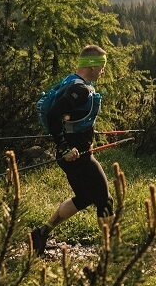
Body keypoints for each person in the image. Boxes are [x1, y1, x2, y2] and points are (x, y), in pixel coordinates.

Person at [30, 45, 113, 255]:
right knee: (105, 199)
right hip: (77, 157)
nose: (103, 71)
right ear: (92, 66)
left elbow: (72, 119)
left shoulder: (72, 81)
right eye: (101, 66)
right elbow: (54, 116)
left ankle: (41, 233)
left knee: (85, 197)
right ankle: (110, 250)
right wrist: (65, 147)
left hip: (74, 154)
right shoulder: (81, 89)